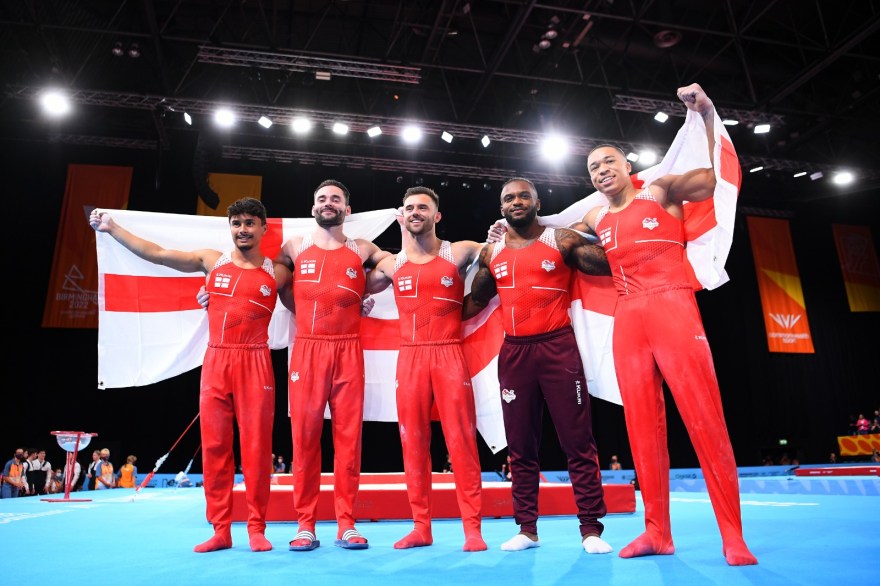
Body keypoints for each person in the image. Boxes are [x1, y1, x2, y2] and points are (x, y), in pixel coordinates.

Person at [567, 83, 757, 566]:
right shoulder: (595, 216)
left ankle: (732, 535)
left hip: (673, 307)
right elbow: (551, 227)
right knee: (641, 428)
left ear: (627, 165)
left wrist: (708, 113)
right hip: (628, 318)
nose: (601, 170)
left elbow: (717, 178)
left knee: (704, 419)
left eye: (608, 161)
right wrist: (506, 231)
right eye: (593, 168)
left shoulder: (662, 190)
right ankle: (657, 531)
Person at [89, 197, 292, 553]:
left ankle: (256, 528)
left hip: (256, 362)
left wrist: (364, 302)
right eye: (236, 223)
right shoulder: (211, 261)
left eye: (249, 223)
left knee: (257, 449)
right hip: (217, 361)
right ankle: (220, 530)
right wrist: (112, 228)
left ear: (263, 228)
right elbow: (157, 254)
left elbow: (317, 295)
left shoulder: (276, 273)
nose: (242, 229)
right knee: (214, 448)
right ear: (230, 228)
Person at [463, 177, 613, 554]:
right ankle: (527, 529)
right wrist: (423, 317)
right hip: (515, 355)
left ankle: (591, 529)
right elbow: (473, 303)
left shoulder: (562, 240)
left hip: (558, 349)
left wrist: (611, 223)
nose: (516, 202)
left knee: (578, 442)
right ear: (501, 208)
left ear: (537, 203)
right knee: (520, 446)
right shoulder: (491, 253)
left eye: (523, 196)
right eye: (509, 198)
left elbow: (613, 263)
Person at [365, 186, 486, 551]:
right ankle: (421, 527)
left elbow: (506, 253)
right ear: (402, 216)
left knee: (461, 441)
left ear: (437, 215)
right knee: (413, 442)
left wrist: (499, 233)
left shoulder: (460, 251)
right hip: (411, 358)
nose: (415, 212)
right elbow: (348, 288)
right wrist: (359, 301)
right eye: (409, 208)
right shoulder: (391, 264)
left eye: (423, 207)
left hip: (449, 354)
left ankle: (473, 529)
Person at [273, 179, 389, 552]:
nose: (328, 203)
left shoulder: (362, 248)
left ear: (347, 209)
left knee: (348, 441)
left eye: (335, 199)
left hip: (348, 350)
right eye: (322, 198)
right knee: (304, 439)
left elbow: (395, 266)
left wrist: (367, 288)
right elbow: (268, 280)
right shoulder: (294, 246)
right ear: (313, 207)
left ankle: (346, 524)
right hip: (308, 350)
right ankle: (305, 525)